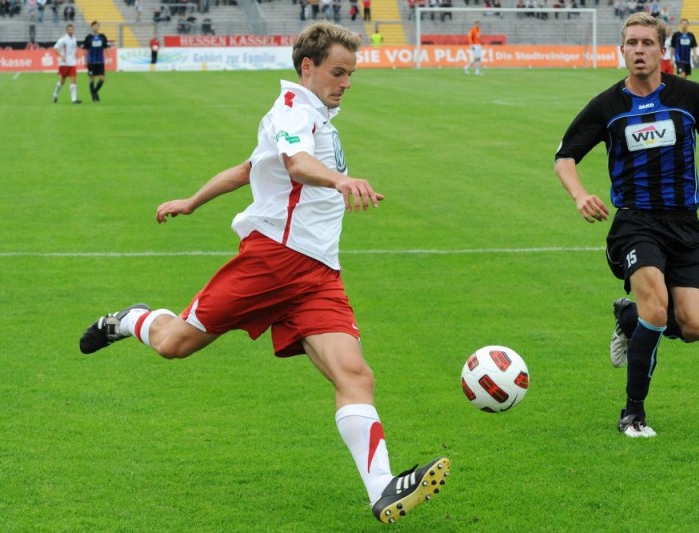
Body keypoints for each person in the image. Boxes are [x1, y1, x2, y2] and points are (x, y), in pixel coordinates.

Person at [78, 21, 450, 524]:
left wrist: (191, 201)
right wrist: (340, 180)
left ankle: (382, 489)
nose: (347, 83)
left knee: (355, 374)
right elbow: (295, 165)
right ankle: (131, 320)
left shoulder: (314, 115)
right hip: (272, 261)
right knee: (174, 344)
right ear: (308, 67)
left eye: (351, 74)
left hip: (318, 273)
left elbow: (247, 170)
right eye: (338, 72)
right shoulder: (293, 109)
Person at [554, 13, 699, 438]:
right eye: (632, 43)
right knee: (657, 307)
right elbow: (565, 157)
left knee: (695, 325)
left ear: (662, 50)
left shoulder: (689, 97)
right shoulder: (607, 106)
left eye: (647, 43)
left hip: (685, 226)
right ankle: (633, 414)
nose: (639, 50)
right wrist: (580, 195)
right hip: (634, 224)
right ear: (622, 49)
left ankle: (629, 319)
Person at [52, 23, 82, 104]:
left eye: (72, 29)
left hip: (72, 63)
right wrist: (61, 56)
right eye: (69, 29)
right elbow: (55, 48)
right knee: (62, 81)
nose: (71, 31)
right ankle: (55, 94)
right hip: (64, 63)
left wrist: (76, 54)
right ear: (67, 30)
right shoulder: (63, 39)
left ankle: (74, 99)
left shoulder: (74, 38)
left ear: (73, 30)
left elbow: (74, 48)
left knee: (74, 80)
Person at [83, 21, 111, 102]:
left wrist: (108, 58)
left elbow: (106, 48)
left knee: (102, 79)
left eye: (97, 26)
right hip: (91, 61)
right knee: (92, 79)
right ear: (92, 27)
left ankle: (94, 92)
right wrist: (85, 60)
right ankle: (94, 97)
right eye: (94, 26)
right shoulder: (88, 37)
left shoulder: (102, 36)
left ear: (99, 27)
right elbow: (85, 49)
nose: (96, 27)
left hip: (100, 61)